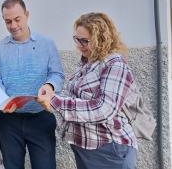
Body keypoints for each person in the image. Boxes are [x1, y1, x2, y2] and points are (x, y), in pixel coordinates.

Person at [37, 12, 138, 169]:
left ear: (102, 40)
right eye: (77, 39)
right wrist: (50, 96)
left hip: (110, 151)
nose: (78, 45)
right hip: (85, 148)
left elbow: (103, 109)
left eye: (84, 41)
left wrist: (55, 101)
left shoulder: (115, 65)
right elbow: (76, 99)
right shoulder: (86, 63)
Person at [0, 0, 65, 169]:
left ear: (27, 15)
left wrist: (50, 86)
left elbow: (57, 74)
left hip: (41, 117)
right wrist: (3, 100)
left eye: (17, 19)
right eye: (8, 21)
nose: (13, 25)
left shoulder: (47, 44)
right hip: (8, 120)